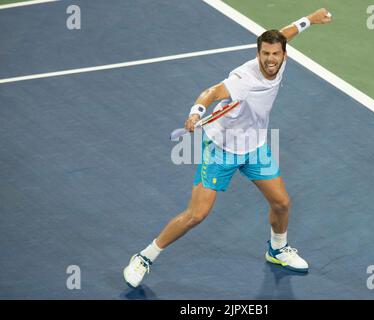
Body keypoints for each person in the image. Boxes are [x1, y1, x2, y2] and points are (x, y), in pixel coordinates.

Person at [124, 8, 332, 288]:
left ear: (283, 55)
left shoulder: (280, 56)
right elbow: (210, 93)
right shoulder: (243, 80)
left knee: (282, 203)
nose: (271, 59)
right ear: (258, 54)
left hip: (255, 147)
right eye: (265, 54)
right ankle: (144, 257)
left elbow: (285, 34)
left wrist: (311, 19)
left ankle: (277, 250)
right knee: (196, 214)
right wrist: (196, 112)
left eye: (275, 54)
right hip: (221, 149)